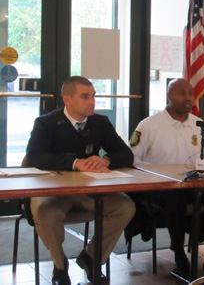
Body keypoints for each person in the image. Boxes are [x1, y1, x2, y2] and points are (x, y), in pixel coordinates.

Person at [26, 76, 136, 285]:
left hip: (89, 191)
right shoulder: (46, 122)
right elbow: (34, 157)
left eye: (93, 96)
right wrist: (75, 163)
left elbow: (126, 154)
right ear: (67, 99)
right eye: (85, 97)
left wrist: (106, 160)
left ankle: (92, 258)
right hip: (55, 192)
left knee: (125, 206)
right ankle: (60, 268)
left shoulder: (99, 123)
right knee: (45, 211)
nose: (92, 102)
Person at [130, 78, 204, 278]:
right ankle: (180, 256)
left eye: (190, 93)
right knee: (174, 197)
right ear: (169, 96)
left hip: (195, 184)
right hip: (162, 187)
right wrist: (158, 173)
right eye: (182, 93)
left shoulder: (199, 125)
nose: (188, 98)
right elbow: (134, 159)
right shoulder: (149, 125)